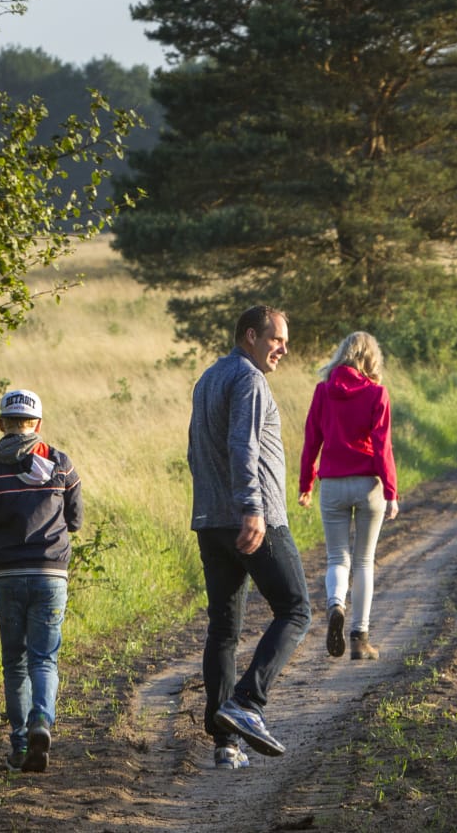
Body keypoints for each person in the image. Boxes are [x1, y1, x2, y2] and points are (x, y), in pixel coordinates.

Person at [189, 305, 312, 769]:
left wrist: (213, 507)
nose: (283, 348)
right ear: (250, 336)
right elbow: (243, 445)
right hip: (252, 519)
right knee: (296, 608)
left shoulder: (208, 378)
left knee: (224, 629)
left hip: (211, 521)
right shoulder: (249, 380)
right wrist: (252, 509)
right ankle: (247, 702)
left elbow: (194, 450)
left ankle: (225, 743)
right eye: (276, 339)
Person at [0, 388, 82, 773]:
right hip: (52, 574)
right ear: (38, 424)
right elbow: (76, 521)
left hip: (7, 574)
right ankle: (41, 724)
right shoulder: (60, 463)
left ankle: (18, 747)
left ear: (1, 423)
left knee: (14, 662)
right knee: (44, 659)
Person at [298, 331, 399, 662]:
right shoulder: (377, 394)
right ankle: (359, 639)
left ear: (342, 354)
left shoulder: (323, 392)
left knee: (337, 558)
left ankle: (335, 604)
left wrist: (305, 485)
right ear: (372, 359)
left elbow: (312, 439)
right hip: (368, 484)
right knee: (365, 561)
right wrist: (391, 489)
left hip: (332, 484)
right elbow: (383, 446)